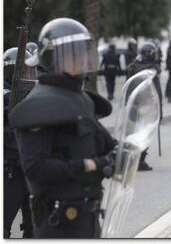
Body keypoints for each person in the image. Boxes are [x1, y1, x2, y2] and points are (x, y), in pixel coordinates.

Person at [9, 18, 118, 238]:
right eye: (72, 53)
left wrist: (121, 152)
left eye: (82, 51)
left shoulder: (83, 99)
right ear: (52, 58)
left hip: (89, 219)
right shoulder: (38, 105)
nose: (81, 59)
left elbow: (106, 143)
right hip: (58, 223)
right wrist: (89, 165)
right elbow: (36, 168)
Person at [3, 48, 37, 238]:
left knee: (35, 229)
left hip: (32, 169)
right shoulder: (4, 97)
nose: (29, 76)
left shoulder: (32, 97)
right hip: (10, 171)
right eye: (24, 71)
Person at [126, 41, 163, 171]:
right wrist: (159, 109)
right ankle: (140, 160)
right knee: (145, 133)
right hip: (147, 106)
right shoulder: (152, 70)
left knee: (133, 133)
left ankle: (132, 159)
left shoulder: (132, 66)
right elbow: (156, 92)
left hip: (133, 104)